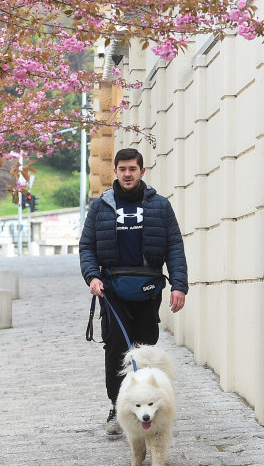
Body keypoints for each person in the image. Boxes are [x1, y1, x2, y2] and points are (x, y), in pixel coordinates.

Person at [79, 148, 188, 435]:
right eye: (122, 169)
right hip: (112, 289)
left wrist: (179, 285)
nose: (128, 174)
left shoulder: (161, 206)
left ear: (142, 171)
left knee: (145, 349)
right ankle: (118, 408)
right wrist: (92, 276)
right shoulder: (101, 207)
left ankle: (149, 407)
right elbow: (87, 246)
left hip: (149, 288)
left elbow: (174, 247)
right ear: (115, 171)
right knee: (116, 348)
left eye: (133, 169)